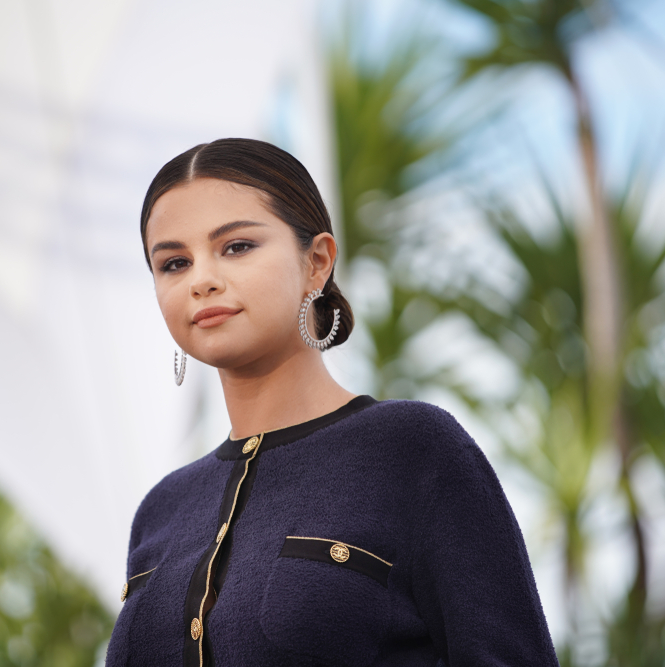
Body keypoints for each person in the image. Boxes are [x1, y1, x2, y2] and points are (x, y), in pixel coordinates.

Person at [106, 138, 558, 667]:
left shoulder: (412, 451)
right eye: (174, 263)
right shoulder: (163, 509)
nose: (201, 280)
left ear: (317, 262)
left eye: (237, 247)